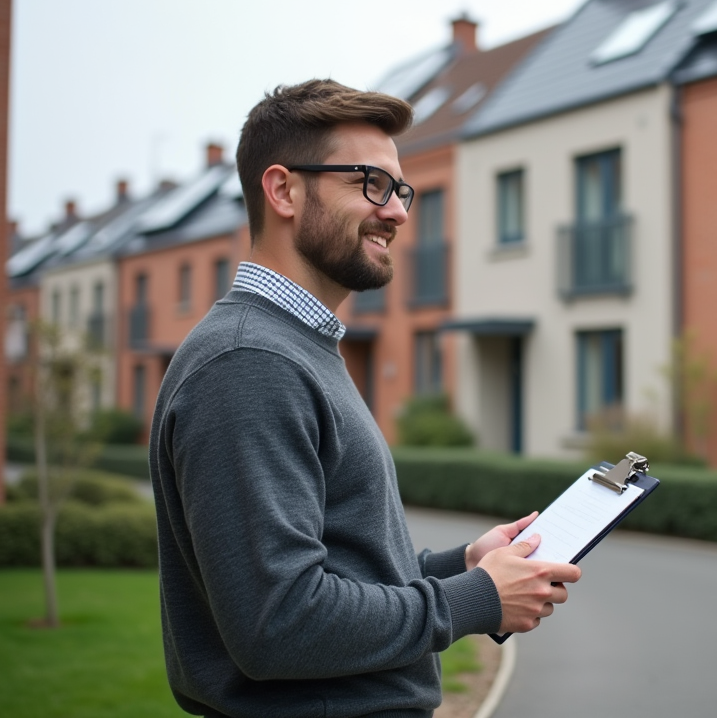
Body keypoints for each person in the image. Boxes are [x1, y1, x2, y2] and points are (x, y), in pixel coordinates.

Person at [149, 79, 581, 718]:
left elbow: (337, 568)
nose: (399, 212)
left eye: (400, 190)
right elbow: (279, 623)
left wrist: (461, 564)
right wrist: (476, 599)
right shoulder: (250, 363)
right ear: (284, 190)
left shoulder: (297, 347)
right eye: (369, 184)